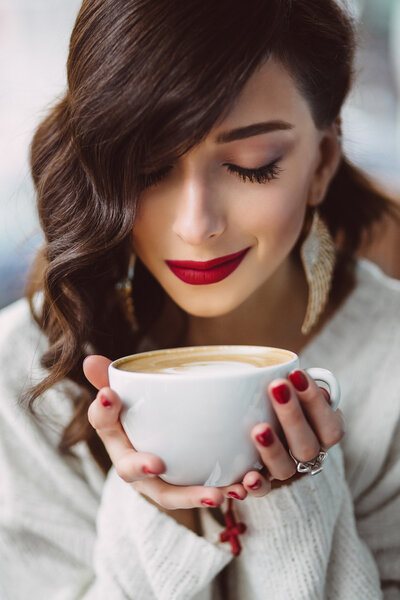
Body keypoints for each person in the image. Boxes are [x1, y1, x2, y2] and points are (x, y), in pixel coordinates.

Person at [0, 0, 399, 598]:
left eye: (251, 166)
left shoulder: (390, 362)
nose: (196, 224)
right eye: (150, 166)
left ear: (321, 163)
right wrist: (155, 515)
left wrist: (297, 504)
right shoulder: (29, 367)